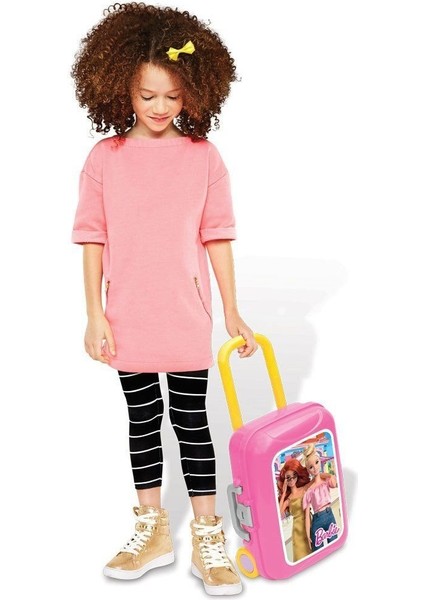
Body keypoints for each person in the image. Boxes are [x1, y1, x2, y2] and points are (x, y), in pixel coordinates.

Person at [70, 2, 257, 595]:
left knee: (192, 421)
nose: (159, 107)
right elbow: (92, 239)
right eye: (146, 94)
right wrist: (94, 314)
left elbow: (217, 236)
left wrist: (231, 310)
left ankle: (207, 536)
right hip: (127, 315)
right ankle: (151, 529)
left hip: (185, 314)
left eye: (172, 96)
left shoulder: (204, 158)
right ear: (119, 87)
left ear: (193, 93)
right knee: (142, 419)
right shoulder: (104, 159)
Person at [302, 445, 338, 552]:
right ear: (308, 470)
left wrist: (323, 474)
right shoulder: (309, 491)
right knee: (318, 550)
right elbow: (307, 515)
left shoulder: (326, 481)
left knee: (334, 547)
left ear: (320, 461)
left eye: (317, 462)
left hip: (329, 515)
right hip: (317, 519)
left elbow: (333, 482)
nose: (315, 468)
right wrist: (308, 534)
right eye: (311, 467)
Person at [278, 459, 313, 562]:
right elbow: (279, 513)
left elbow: (316, 479)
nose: (292, 479)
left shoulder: (304, 489)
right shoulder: (288, 500)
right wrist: (284, 493)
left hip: (310, 524)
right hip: (297, 531)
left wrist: (329, 476)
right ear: (285, 481)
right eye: (288, 478)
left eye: (294, 475)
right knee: (301, 557)